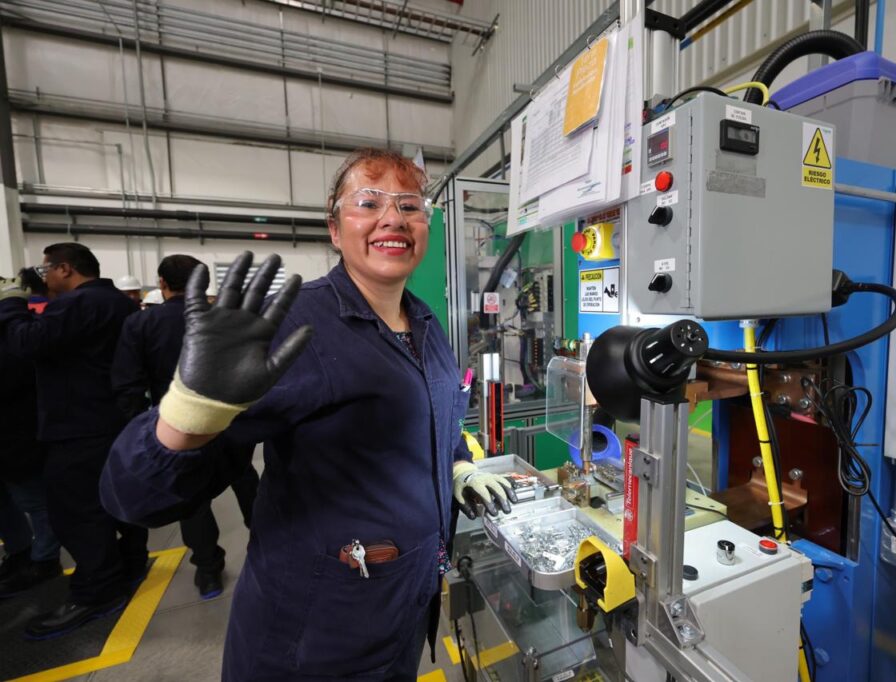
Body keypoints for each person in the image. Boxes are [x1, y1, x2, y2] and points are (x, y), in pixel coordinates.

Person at [101, 148, 517, 681]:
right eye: (369, 202)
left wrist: (458, 465)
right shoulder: (298, 329)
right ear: (334, 229)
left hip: (402, 610)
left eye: (410, 206)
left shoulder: (425, 322)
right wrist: (191, 410)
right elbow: (135, 497)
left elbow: (439, 416)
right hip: (318, 636)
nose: (393, 218)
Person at [0, 243, 149, 639]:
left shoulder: (80, 303)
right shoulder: (116, 302)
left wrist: (12, 303)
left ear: (65, 269)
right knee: (112, 503)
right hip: (109, 419)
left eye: (46, 270)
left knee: (76, 514)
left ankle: (96, 592)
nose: (44, 277)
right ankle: (128, 564)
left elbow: (26, 343)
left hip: (78, 425)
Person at [112, 254, 259, 599]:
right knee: (246, 480)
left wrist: (148, 433)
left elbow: (128, 386)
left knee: (192, 498)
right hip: (231, 421)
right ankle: (267, 545)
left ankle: (208, 570)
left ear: (162, 283)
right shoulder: (228, 318)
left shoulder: (142, 323)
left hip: (178, 424)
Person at [0, 268, 62, 597]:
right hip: (14, 433)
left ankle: (44, 558)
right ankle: (21, 551)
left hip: (17, 433)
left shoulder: (16, 334)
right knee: (8, 501)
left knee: (33, 501)